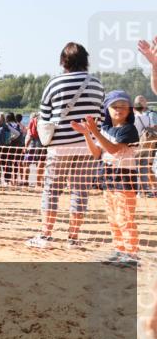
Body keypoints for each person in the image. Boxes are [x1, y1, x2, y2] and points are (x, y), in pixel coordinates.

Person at [27, 42, 105, 249]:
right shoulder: (97, 84)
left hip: (59, 146)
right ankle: (74, 238)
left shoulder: (54, 83)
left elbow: (44, 117)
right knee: (80, 191)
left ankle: (46, 235)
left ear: (63, 61)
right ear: (85, 60)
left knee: (52, 190)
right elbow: (101, 117)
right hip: (87, 144)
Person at [71, 91, 140, 266]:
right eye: (114, 106)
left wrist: (95, 131)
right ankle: (120, 250)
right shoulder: (105, 129)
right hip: (107, 179)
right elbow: (96, 154)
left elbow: (114, 149)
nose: (119, 109)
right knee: (113, 219)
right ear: (107, 110)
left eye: (123, 106)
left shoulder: (129, 129)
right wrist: (87, 134)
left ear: (130, 109)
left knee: (124, 218)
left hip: (125, 180)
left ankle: (131, 254)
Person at [133, 95, 157, 195]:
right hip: (145, 144)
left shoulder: (150, 114)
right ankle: (145, 190)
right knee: (144, 167)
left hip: (142, 144)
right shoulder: (147, 116)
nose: (141, 102)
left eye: (142, 100)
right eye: (139, 101)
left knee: (143, 167)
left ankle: (148, 189)